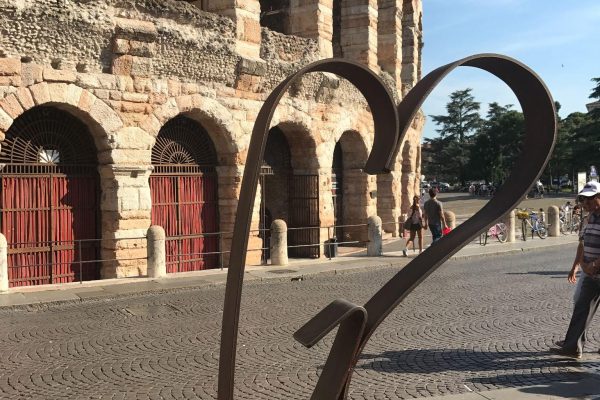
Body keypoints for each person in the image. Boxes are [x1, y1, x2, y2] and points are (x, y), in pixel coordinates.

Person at [550, 182, 600, 358]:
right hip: (590, 274)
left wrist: (594, 265)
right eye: (582, 199)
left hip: (595, 270)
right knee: (581, 307)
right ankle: (572, 348)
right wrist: (580, 265)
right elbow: (583, 244)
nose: (585, 203)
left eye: (589, 198)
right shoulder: (590, 218)